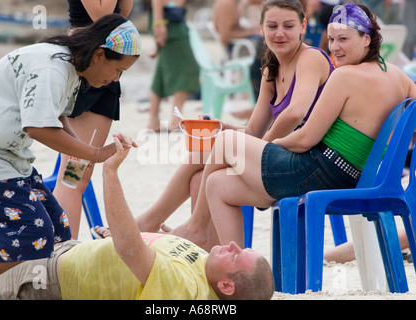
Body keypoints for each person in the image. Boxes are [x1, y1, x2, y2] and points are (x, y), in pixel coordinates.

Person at [163, 2, 416, 250]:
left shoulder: (345, 76)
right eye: (332, 39)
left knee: (225, 142)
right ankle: (234, 265)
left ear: (367, 39)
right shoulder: (399, 77)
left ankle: (195, 227)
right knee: (217, 183)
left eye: (344, 39)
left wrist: (265, 147)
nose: (335, 48)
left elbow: (306, 139)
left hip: (321, 172)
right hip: (356, 177)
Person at [0, 135, 274, 300]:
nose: (234, 245)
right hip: (70, 248)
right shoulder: (207, 267)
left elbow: (130, 251)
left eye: (237, 256)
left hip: (49, 275)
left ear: (228, 287)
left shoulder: (185, 288)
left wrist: (110, 171)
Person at [0, 13, 141, 300]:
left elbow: (55, 115)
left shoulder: (69, 66)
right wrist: (95, 154)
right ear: (99, 55)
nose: (115, 79)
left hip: (7, 157)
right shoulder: (53, 68)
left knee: (59, 230)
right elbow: (38, 128)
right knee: (29, 237)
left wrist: (83, 153)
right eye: (118, 70)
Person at [136, 0, 334, 238]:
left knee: (219, 147)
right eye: (272, 26)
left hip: (310, 163)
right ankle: (211, 251)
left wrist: (261, 148)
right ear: (261, 29)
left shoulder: (310, 58)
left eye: (288, 26)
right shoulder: (271, 71)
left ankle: (176, 224)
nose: (279, 33)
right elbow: (253, 131)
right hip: (285, 157)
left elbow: (295, 113)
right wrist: (224, 127)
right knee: (204, 170)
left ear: (303, 27)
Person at [53, 0, 134, 239]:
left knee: (80, 174)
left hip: (107, 70)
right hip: (87, 64)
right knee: (73, 175)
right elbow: (102, 15)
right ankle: (63, 251)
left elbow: (122, 15)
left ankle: (64, 249)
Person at [145, 0, 200, 132]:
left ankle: (154, 119)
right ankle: (175, 119)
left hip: (171, 21)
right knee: (188, 68)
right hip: (169, 23)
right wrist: (159, 22)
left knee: (163, 70)